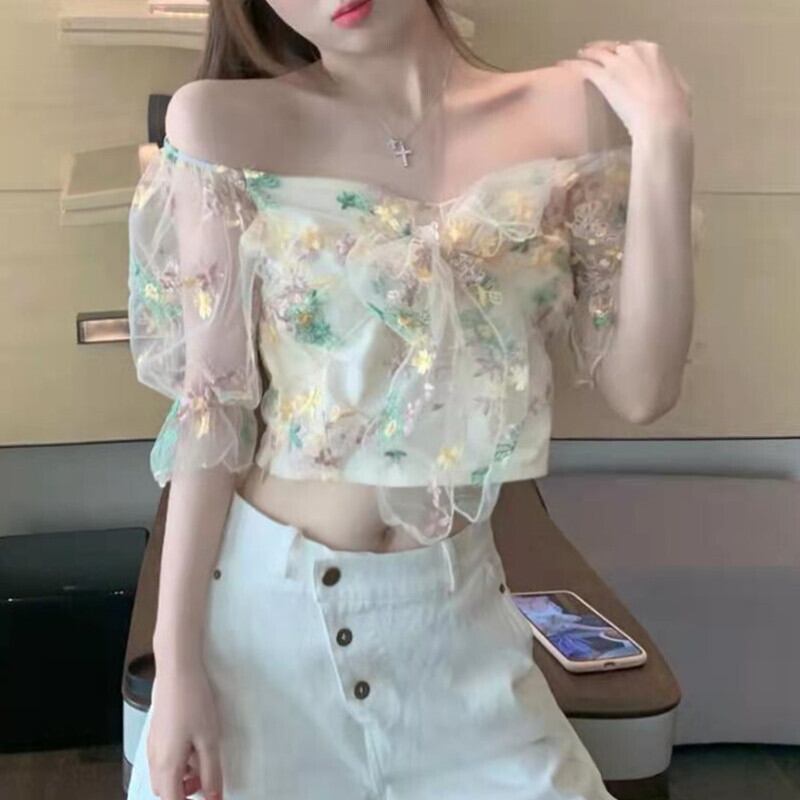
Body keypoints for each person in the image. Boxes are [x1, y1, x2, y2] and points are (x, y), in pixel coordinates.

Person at [125, 1, 697, 798]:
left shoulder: (568, 111)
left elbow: (641, 389)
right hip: (263, 638)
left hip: (456, 628)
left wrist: (665, 144)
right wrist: (178, 660)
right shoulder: (221, 123)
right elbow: (211, 407)